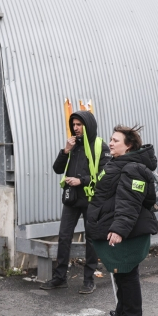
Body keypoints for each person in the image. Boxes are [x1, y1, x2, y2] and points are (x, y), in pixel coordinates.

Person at [86, 125, 158, 316]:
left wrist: (119, 230)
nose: (110, 143)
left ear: (128, 146)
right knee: (120, 271)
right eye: (111, 139)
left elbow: (130, 203)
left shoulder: (132, 168)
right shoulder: (119, 163)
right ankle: (123, 310)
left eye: (116, 141)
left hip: (128, 231)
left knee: (127, 273)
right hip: (121, 226)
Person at [40, 111, 110, 293]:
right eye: (74, 125)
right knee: (64, 236)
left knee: (91, 239)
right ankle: (59, 278)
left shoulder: (99, 146)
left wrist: (82, 180)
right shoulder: (73, 145)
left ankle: (88, 280)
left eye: (79, 124)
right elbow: (57, 169)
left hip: (90, 199)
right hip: (72, 198)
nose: (76, 128)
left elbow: (105, 174)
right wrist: (65, 151)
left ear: (88, 125)